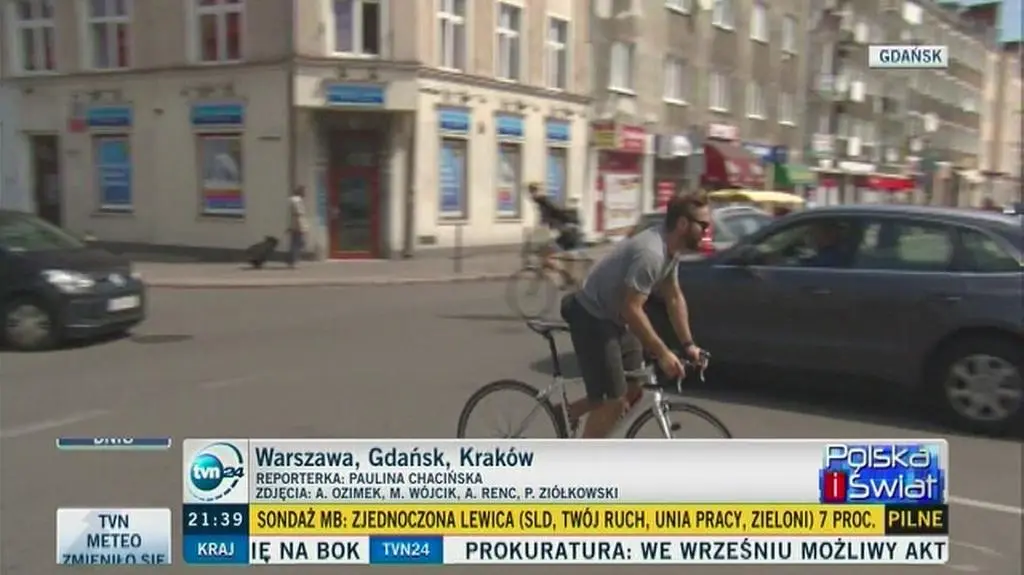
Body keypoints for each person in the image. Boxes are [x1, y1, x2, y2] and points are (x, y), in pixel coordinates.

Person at [559, 192, 710, 439]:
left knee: (634, 388)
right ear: (683, 224)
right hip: (592, 315)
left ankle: (568, 412)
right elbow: (631, 309)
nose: (706, 231)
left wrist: (688, 345)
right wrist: (663, 353)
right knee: (614, 402)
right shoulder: (651, 253)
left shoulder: (671, 250)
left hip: (615, 316)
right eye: (703, 225)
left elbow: (673, 296)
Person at [528, 183, 581, 282]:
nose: (532, 195)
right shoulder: (541, 202)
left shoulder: (544, 201)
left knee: (547, 255)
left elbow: (554, 214)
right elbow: (544, 219)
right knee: (549, 256)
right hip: (557, 230)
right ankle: (565, 275)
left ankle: (565, 275)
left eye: (533, 191)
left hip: (558, 231)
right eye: (531, 192)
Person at [287, 186, 309, 268]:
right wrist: (303, 226)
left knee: (295, 243)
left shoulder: (293, 200)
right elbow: (299, 212)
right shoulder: (297, 200)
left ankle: (292, 260)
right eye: (304, 191)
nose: (305, 193)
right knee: (298, 243)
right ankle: (293, 261)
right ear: (300, 192)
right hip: (298, 224)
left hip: (295, 223)